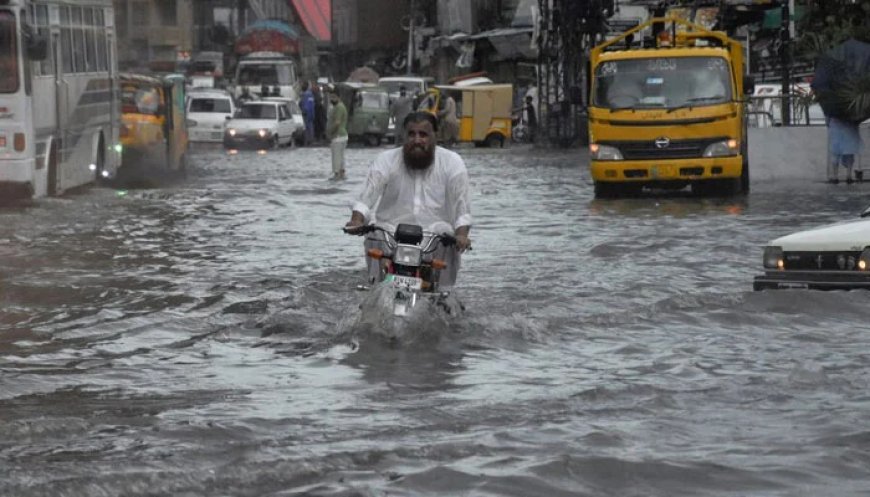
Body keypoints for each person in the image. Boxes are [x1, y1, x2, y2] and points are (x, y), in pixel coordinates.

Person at [344, 111, 472, 287]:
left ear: (436, 136)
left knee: (448, 235)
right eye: (411, 134)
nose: (417, 140)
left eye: (423, 134)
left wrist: (461, 235)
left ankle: (444, 295)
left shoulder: (452, 162)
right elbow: (367, 194)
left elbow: (461, 207)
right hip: (391, 236)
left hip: (433, 239)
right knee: (374, 232)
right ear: (403, 136)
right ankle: (374, 290)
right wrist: (356, 221)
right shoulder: (386, 160)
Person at [826, 116, 863, 184]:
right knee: (849, 152)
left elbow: (828, 119)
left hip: (836, 127)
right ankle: (849, 176)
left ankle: (835, 177)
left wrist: (828, 122)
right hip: (850, 127)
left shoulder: (832, 108)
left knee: (835, 153)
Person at [326, 86, 349, 180]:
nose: (332, 99)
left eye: (334, 97)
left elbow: (337, 122)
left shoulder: (339, 107)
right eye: (331, 97)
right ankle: (342, 174)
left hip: (338, 136)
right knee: (341, 156)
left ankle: (337, 175)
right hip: (342, 136)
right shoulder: (339, 106)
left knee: (336, 157)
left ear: (339, 97)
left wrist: (330, 131)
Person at [300, 81, 315, 145]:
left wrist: (304, 111)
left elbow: (304, 104)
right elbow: (311, 104)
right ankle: (310, 140)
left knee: (306, 127)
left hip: (306, 113)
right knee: (310, 126)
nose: (301, 86)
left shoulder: (305, 94)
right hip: (311, 112)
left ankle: (307, 141)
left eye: (302, 85)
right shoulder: (310, 94)